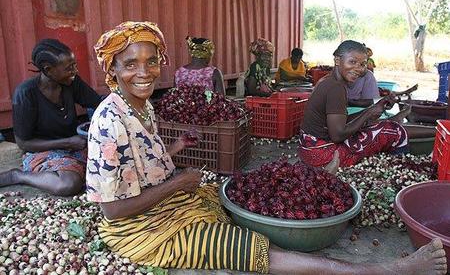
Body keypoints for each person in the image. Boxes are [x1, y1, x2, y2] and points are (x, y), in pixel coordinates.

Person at [85, 22, 447, 275]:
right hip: (141, 230)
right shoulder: (108, 120)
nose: (144, 72)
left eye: (150, 61)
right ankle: (386, 270)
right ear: (112, 69)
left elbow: (142, 158)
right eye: (130, 64)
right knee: (247, 249)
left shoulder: (141, 104)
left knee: (226, 196)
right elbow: (113, 211)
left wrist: (176, 146)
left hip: (165, 203)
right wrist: (179, 183)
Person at [298, 40, 435, 168]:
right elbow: (337, 135)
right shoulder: (336, 88)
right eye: (352, 62)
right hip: (323, 155)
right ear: (337, 60)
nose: (359, 69)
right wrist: (369, 113)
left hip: (308, 149)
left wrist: (372, 111)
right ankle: (401, 165)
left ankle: (405, 124)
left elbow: (340, 121)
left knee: (375, 124)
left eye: (363, 64)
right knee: (392, 130)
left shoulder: (329, 81)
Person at [0, 39, 102, 195]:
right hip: (42, 152)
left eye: (74, 65)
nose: (75, 71)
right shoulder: (26, 94)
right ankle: (18, 175)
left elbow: (99, 104)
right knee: (68, 184)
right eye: (69, 68)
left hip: (76, 147)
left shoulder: (71, 83)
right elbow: (24, 143)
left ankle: (74, 169)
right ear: (48, 70)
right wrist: (68, 142)